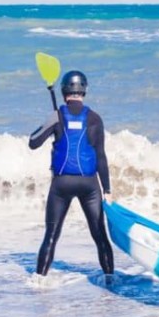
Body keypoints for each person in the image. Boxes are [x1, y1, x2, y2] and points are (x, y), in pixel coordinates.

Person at [28, 70, 115, 280]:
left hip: (62, 184)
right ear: (83, 90)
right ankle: (110, 280)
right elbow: (100, 156)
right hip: (90, 185)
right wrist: (108, 190)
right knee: (100, 236)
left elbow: (33, 142)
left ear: (64, 90)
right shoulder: (94, 118)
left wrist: (52, 126)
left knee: (51, 235)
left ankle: (39, 281)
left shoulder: (57, 115)